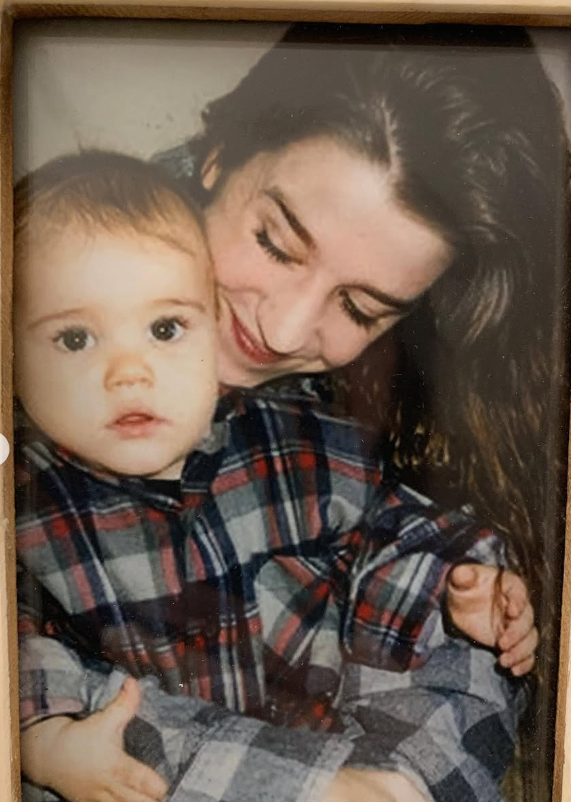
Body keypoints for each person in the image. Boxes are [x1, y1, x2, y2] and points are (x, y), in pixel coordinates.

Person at [17, 17, 566, 802]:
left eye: (361, 306)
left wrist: (466, 586)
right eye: (275, 241)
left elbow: (405, 529)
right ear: (216, 155)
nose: (280, 330)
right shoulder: (36, 300)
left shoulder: (323, 435)